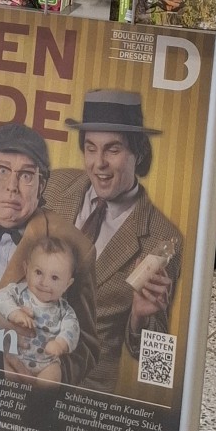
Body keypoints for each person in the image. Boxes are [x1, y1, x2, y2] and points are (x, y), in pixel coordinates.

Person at [46, 90, 182, 395]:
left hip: (82, 395)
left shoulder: (162, 238)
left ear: (138, 152)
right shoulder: (54, 186)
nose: (99, 163)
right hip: (15, 373)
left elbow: (155, 364)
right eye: (91, 148)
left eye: (113, 149)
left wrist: (139, 317)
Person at [0, 122, 97, 385]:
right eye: (2, 170)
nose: (12, 186)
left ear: (42, 185)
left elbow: (86, 349)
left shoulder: (78, 247)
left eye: (26, 175)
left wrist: (46, 373)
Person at [0, 236, 81, 374]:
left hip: (46, 361)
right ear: (26, 269)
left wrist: (61, 343)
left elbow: (72, 329)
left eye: (54, 278)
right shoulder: (18, 292)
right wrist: (14, 312)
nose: (44, 282)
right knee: (2, 371)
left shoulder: (64, 311)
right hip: (12, 353)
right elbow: (1, 297)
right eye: (39, 272)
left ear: (67, 284)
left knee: (52, 376)